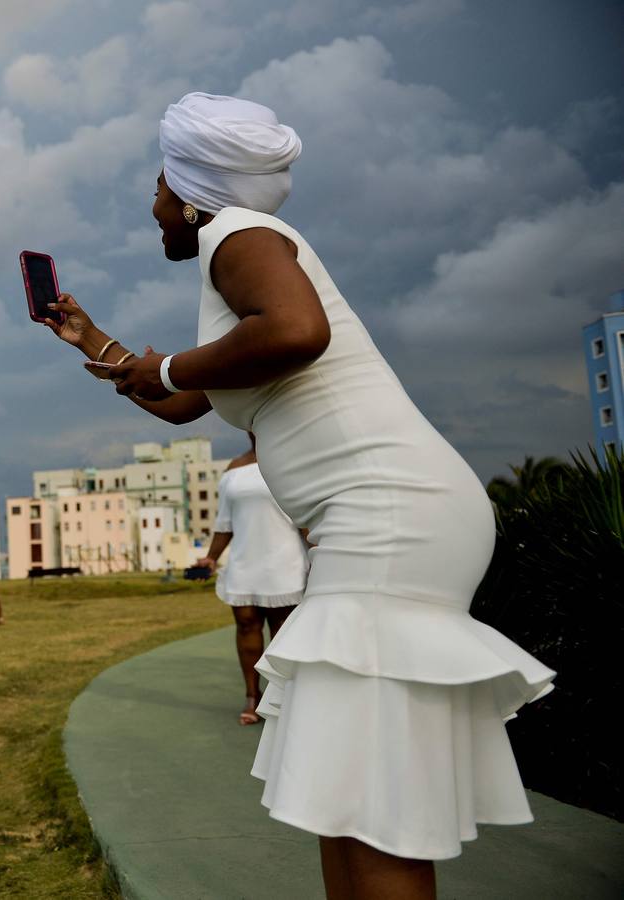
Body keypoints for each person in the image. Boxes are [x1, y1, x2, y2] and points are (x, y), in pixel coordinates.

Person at [44, 92, 555, 898]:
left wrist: (171, 364)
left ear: (186, 192)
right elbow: (183, 402)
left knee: (375, 809)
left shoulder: (235, 235)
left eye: (156, 191)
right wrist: (95, 341)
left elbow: (294, 332)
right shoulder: (240, 261)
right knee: (345, 797)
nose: (153, 210)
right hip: (392, 515)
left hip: (390, 519)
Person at [195, 433, 305, 725]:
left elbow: (306, 516)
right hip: (244, 561)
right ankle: (252, 697)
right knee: (246, 624)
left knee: (283, 630)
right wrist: (210, 557)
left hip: (285, 560)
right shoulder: (234, 468)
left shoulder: (294, 461)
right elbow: (224, 523)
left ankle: (284, 697)